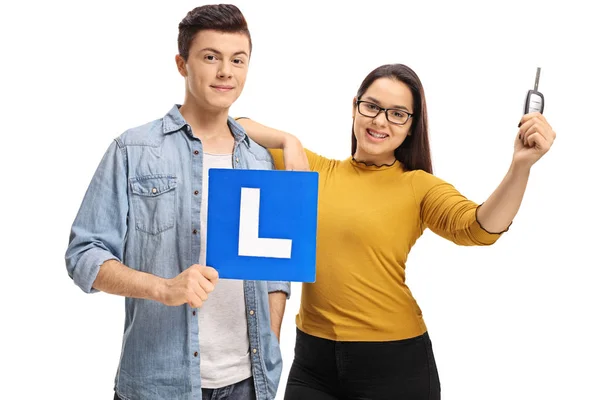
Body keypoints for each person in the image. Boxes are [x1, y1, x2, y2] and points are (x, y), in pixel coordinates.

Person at [236, 63, 556, 400]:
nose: (380, 121)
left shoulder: (416, 186)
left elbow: (480, 228)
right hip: (312, 361)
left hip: (393, 364)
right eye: (372, 107)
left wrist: (520, 165)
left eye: (397, 114)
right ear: (355, 107)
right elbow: (238, 127)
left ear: (411, 126)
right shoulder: (311, 169)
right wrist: (289, 140)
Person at [65, 5, 289, 400]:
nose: (226, 72)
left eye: (238, 60)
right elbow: (84, 254)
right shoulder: (133, 149)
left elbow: (274, 267)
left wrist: (270, 339)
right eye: (210, 57)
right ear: (182, 64)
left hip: (249, 384)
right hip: (158, 384)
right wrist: (162, 288)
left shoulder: (259, 159)